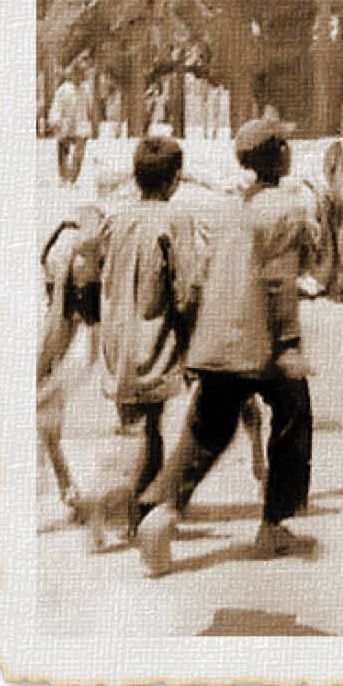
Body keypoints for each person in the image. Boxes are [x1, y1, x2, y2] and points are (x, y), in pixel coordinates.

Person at [138, 113, 319, 575]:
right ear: (278, 155)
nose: (290, 152)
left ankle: (161, 514)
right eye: (285, 146)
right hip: (259, 342)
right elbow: (279, 281)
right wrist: (288, 343)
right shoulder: (286, 208)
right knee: (294, 414)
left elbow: (204, 275)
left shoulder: (232, 207)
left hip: (216, 340)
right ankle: (274, 525)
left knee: (207, 430)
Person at [75, 136, 203, 544]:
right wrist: (192, 343)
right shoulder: (175, 220)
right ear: (175, 180)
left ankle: (132, 510)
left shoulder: (117, 218)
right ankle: (135, 512)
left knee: (135, 424)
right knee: (149, 430)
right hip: (154, 341)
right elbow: (186, 290)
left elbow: (91, 271)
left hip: (117, 341)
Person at [49, 66, 93, 186]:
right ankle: (64, 176)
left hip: (80, 125)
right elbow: (56, 105)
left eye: (81, 75)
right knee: (64, 151)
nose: (79, 78)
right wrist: (56, 120)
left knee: (79, 153)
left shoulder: (86, 89)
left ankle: (73, 178)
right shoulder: (63, 89)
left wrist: (90, 122)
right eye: (76, 75)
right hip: (65, 125)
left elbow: (90, 107)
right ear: (72, 75)